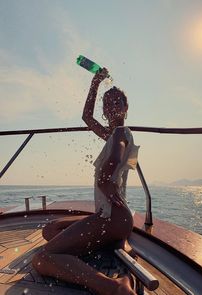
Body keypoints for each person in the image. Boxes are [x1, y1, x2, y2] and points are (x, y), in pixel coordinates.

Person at [32, 68, 139, 295]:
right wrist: (95, 83)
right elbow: (86, 118)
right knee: (52, 229)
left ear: (125, 107)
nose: (110, 105)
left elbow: (115, 157)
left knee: (42, 258)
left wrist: (103, 179)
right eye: (106, 103)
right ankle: (115, 244)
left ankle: (114, 287)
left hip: (112, 217)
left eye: (116, 101)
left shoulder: (121, 132)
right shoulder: (112, 135)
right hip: (110, 216)